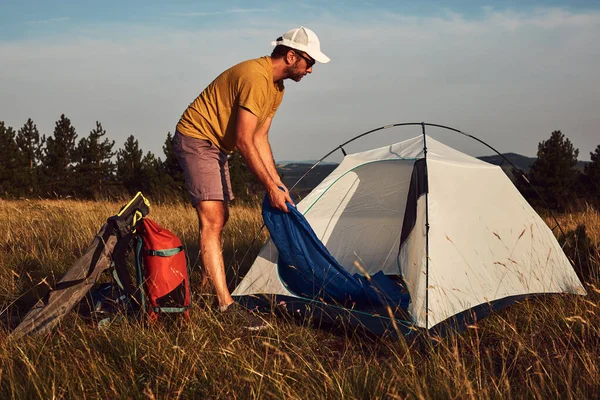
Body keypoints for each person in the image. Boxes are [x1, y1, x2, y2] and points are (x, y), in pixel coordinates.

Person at [173, 26, 330, 330]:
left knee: (221, 217)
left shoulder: (276, 89)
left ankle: (206, 286)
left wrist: (278, 184)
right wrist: (269, 187)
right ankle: (224, 305)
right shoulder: (255, 77)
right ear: (291, 55)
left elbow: (260, 137)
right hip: (197, 138)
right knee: (213, 219)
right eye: (308, 62)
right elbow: (245, 140)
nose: (310, 70)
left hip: (218, 145)